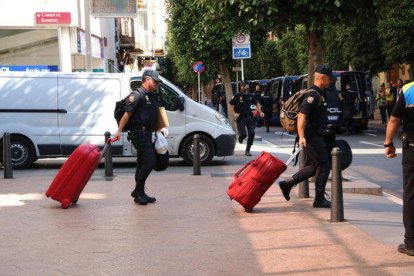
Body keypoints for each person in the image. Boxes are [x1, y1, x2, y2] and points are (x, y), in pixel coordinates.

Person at [279, 65, 334, 208]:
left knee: (314, 165)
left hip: (315, 135)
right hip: (312, 136)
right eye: (329, 78)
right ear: (322, 77)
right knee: (324, 166)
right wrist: (302, 136)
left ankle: (287, 184)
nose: (331, 81)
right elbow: (302, 116)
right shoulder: (313, 95)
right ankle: (319, 199)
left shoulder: (320, 93)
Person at [114, 70, 162, 205]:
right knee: (150, 162)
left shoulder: (150, 96)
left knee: (142, 163)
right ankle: (138, 191)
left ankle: (139, 192)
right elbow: (126, 115)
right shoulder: (137, 95)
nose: (157, 84)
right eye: (155, 81)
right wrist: (119, 131)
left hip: (147, 133)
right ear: (146, 79)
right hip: (139, 134)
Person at [384, 80, 414, 256]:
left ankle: (410, 243)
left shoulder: (408, 89)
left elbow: (394, 118)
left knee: (411, 193)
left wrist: (388, 143)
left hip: (412, 148)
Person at [229, 81, 264, 156]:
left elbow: (257, 103)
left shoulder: (250, 95)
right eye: (242, 86)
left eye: (245, 86)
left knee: (252, 133)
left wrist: (260, 111)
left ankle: (247, 150)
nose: (243, 87)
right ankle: (241, 138)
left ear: (247, 87)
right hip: (240, 118)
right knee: (243, 134)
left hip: (248, 116)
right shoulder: (237, 96)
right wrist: (234, 114)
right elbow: (230, 104)